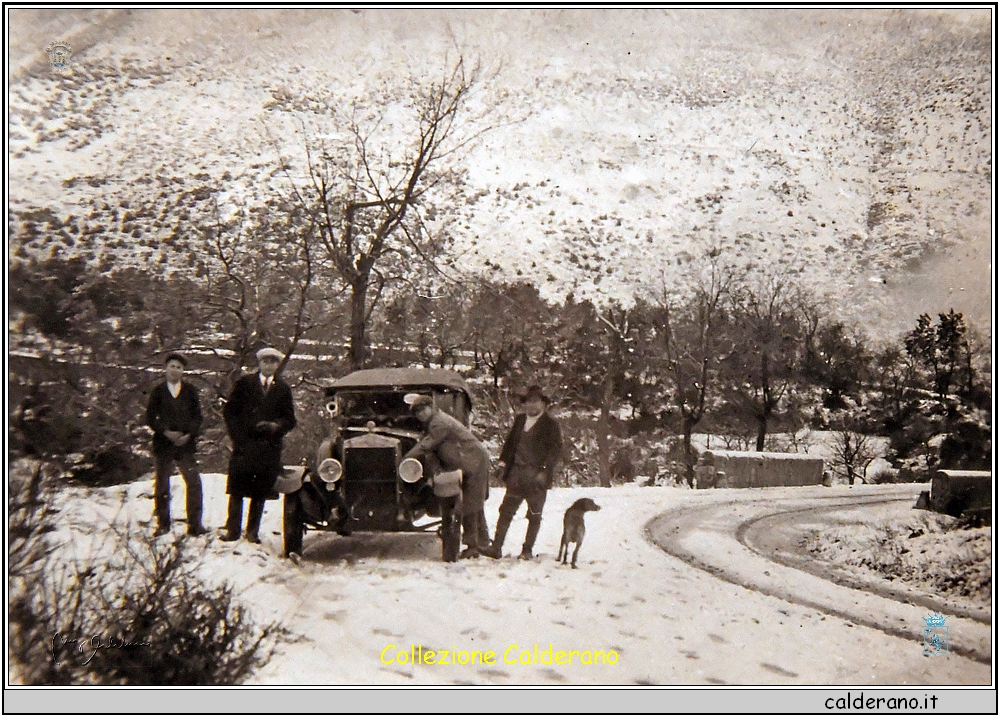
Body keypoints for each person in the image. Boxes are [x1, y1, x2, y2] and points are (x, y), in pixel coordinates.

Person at [222, 347, 297, 543]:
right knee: (237, 490)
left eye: (273, 362)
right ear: (259, 363)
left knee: (260, 491)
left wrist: (276, 426)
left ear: (277, 365)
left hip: (268, 447)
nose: (268, 365)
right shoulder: (244, 383)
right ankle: (232, 530)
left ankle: (252, 531)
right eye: (265, 361)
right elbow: (230, 412)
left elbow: (290, 419)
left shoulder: (282, 389)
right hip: (244, 445)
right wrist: (238, 437)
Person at [404, 395, 491, 559]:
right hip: (466, 462)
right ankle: (482, 542)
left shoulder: (439, 422)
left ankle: (474, 546)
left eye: (423, 409)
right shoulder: (436, 420)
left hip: (473, 462)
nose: (420, 414)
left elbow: (426, 445)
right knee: (472, 502)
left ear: (431, 407)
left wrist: (404, 460)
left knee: (471, 503)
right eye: (417, 412)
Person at [483, 385, 562, 560]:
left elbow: (555, 452)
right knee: (505, 511)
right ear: (524, 404)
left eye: (536, 401)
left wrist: (544, 472)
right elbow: (510, 444)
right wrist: (503, 464)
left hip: (536, 478)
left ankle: (527, 550)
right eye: (528, 401)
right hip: (516, 476)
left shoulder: (551, 425)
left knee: (534, 515)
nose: (532, 405)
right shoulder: (520, 420)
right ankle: (496, 547)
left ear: (543, 404)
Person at [145, 352, 206, 537]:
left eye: (179, 367)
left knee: (194, 483)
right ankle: (163, 524)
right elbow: (150, 417)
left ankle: (195, 525)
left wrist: (188, 435)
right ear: (166, 368)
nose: (175, 370)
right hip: (164, 444)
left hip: (185, 445)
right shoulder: (158, 391)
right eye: (172, 366)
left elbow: (198, 417)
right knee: (162, 484)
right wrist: (166, 432)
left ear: (183, 371)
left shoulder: (190, 391)